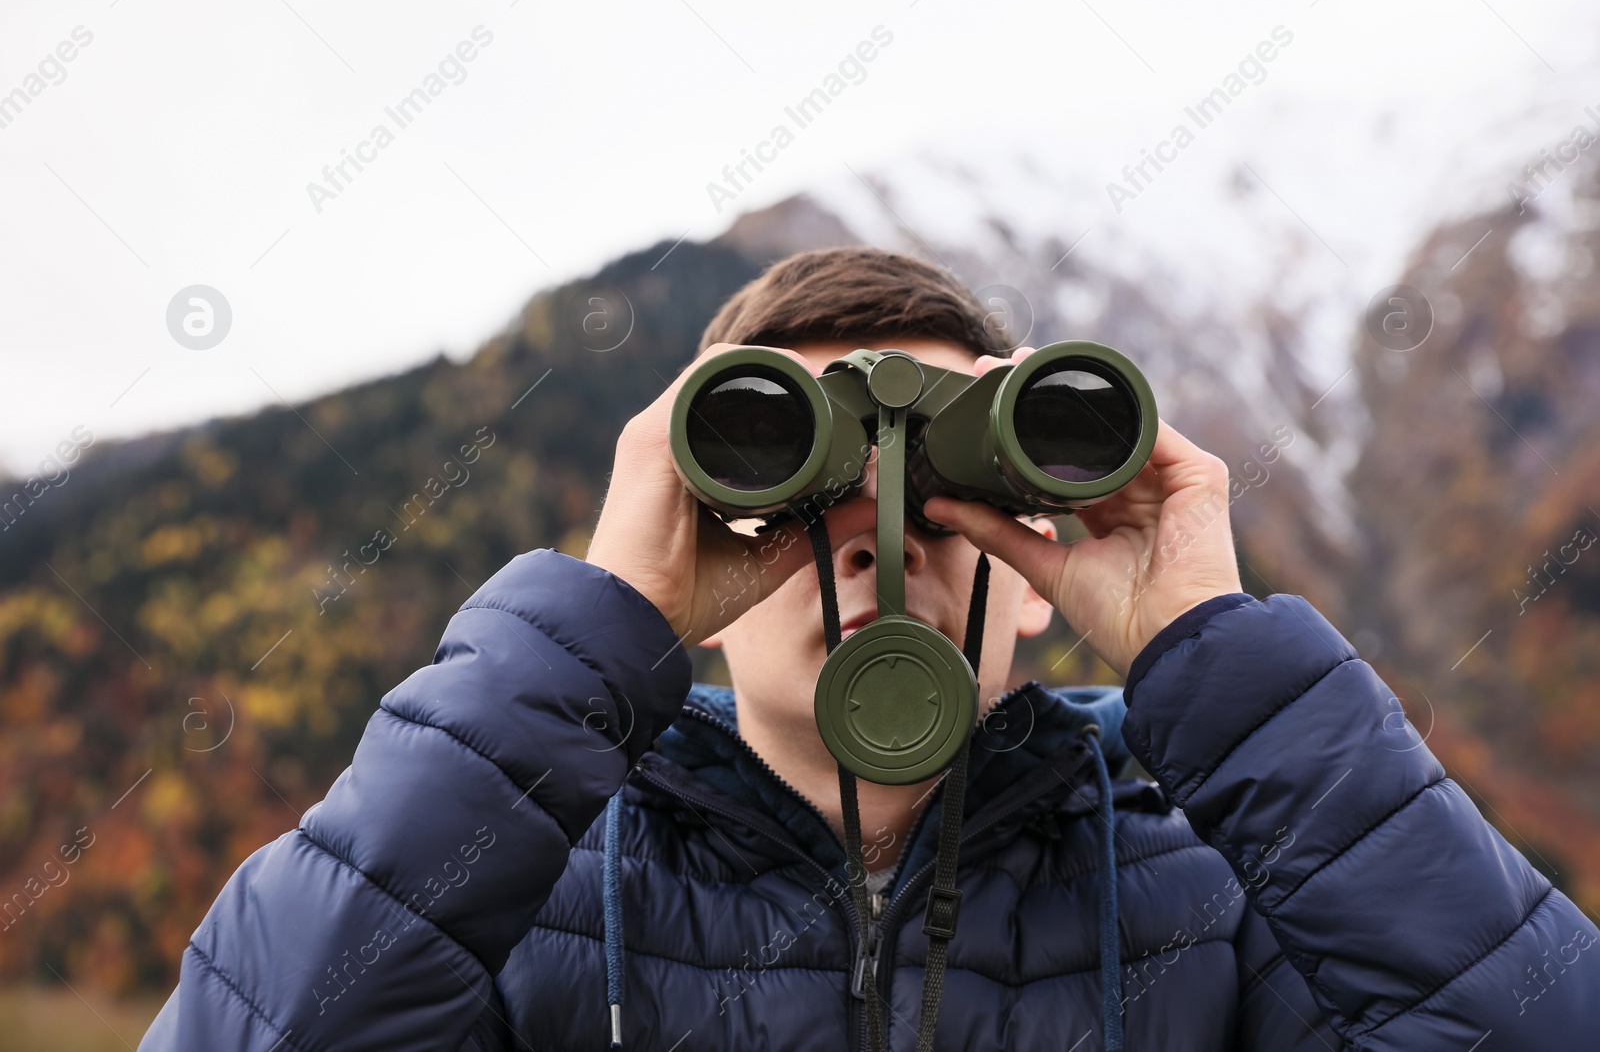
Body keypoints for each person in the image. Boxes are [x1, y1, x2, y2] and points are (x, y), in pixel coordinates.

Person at [139, 248, 1597, 1051]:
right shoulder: (516, 897)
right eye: (792, 491)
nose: (879, 535)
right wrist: (589, 632)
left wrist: (1220, 661)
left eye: (963, 495)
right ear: (695, 543)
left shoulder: (1223, 898)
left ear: (1043, 579)